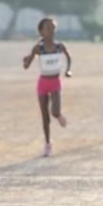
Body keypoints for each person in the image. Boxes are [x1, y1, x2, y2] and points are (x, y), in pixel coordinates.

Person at [22, 18, 72, 157]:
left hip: (55, 82)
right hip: (43, 83)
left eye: (53, 28)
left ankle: (59, 115)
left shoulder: (59, 46)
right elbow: (27, 66)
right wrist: (25, 61)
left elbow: (69, 58)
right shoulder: (38, 48)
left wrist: (68, 70)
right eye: (48, 28)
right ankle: (48, 143)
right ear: (42, 32)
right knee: (45, 117)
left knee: (54, 111)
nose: (51, 31)